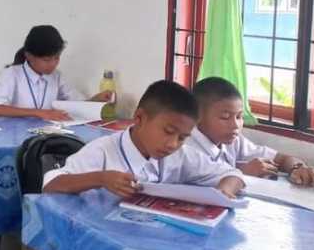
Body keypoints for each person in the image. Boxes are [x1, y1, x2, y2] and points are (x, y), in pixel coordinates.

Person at [43, 80, 245, 198]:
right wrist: (101, 178)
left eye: (183, 137)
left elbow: (232, 174)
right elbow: (51, 184)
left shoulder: (181, 156)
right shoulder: (103, 151)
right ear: (139, 118)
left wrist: (223, 193)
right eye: (168, 131)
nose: (173, 144)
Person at [189, 77, 314, 188]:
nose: (235, 125)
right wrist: (242, 173)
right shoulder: (186, 148)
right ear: (197, 116)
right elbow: (194, 188)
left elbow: (282, 159)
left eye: (239, 117)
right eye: (225, 117)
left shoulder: (233, 140)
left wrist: (298, 168)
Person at [0, 25, 112, 120]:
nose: (53, 64)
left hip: (46, 137)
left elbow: (76, 104)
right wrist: (38, 112)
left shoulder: (57, 76)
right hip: (13, 136)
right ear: (29, 56)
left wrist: (96, 99)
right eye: (46, 60)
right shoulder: (11, 75)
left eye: (57, 58)